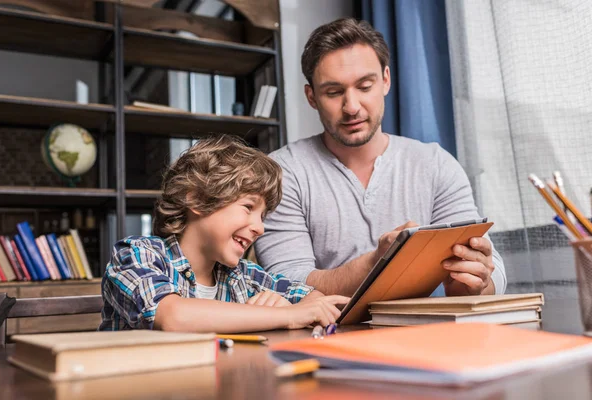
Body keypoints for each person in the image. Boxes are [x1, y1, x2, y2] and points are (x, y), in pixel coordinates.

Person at [255, 18, 507, 298]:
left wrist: (476, 281)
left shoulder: (435, 164)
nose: (351, 107)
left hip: (422, 335)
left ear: (385, 80)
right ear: (311, 96)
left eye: (364, 87)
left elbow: (490, 273)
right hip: (323, 338)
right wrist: (377, 264)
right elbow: (287, 283)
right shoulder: (281, 173)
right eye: (334, 92)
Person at [99, 135, 349, 333]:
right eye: (248, 207)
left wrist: (298, 305)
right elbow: (173, 316)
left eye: (262, 217)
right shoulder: (135, 255)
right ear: (196, 198)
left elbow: (313, 297)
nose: (260, 227)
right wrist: (289, 315)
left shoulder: (244, 275)